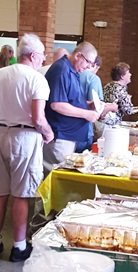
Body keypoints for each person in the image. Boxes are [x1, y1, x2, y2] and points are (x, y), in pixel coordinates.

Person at [0, 33, 54, 262]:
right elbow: (38, 117)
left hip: (0, 133)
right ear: (33, 55)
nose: (43, 59)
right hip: (25, 137)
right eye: (42, 55)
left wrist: (6, 115)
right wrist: (48, 132)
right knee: (22, 195)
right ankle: (19, 247)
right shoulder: (37, 79)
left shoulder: (0, 74)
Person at [43, 41, 100, 174]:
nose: (88, 67)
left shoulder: (72, 70)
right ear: (78, 55)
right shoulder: (61, 70)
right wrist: (86, 114)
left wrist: (87, 104)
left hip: (68, 136)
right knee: (57, 176)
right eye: (88, 62)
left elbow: (69, 100)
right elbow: (57, 104)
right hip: (60, 136)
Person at [102, 62, 135, 126]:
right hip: (112, 123)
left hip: (103, 122)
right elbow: (128, 110)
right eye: (128, 73)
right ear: (122, 76)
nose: (130, 74)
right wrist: (128, 99)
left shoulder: (108, 85)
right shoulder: (120, 89)